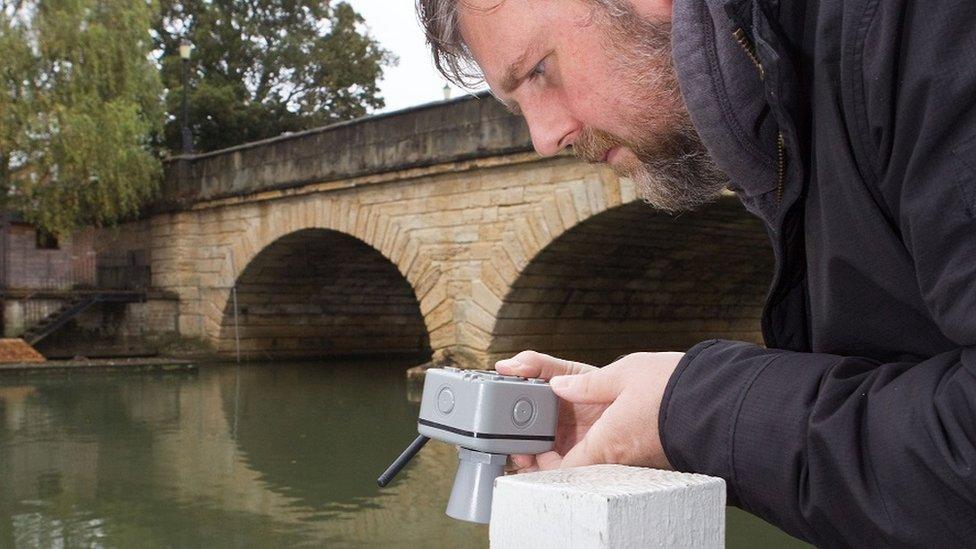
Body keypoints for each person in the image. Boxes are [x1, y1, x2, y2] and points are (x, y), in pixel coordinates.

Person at [416, 0, 976, 546]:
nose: (543, 138)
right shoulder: (787, 123)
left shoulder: (919, 24)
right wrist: (655, 409)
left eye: (540, 70)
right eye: (515, 107)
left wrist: (687, 410)